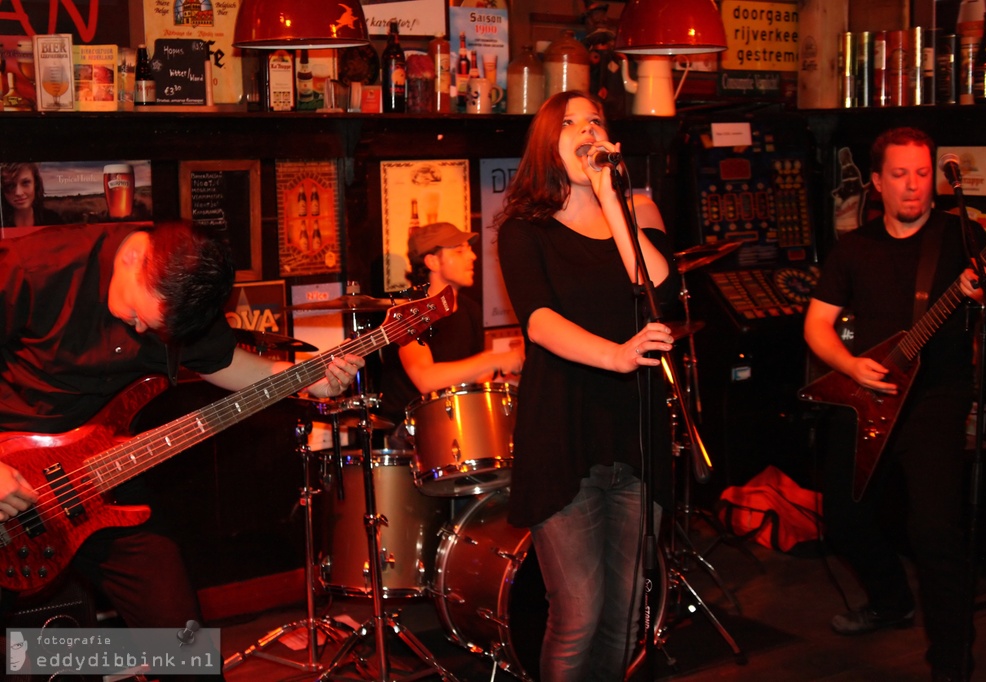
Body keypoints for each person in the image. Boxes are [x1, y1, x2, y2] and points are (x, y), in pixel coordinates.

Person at [0, 220, 364, 644]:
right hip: (11, 465)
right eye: (138, 313)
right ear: (133, 258)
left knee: (185, 647)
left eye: (151, 327)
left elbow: (223, 362)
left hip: (98, 475)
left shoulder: (186, 290)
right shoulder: (34, 267)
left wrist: (304, 379)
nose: (139, 329)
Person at [804, 127, 986, 682]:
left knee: (934, 531)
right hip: (866, 396)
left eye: (922, 174)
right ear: (876, 183)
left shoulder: (963, 238)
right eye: (900, 175)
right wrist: (852, 367)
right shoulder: (855, 248)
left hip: (934, 400)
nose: (913, 186)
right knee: (844, 519)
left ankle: (951, 663)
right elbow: (817, 326)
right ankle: (890, 599)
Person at [495, 90, 679, 681]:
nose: (585, 131)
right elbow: (540, 321)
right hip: (563, 432)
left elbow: (657, 286)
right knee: (577, 613)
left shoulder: (631, 215)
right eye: (569, 123)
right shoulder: (523, 230)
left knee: (626, 616)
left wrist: (610, 199)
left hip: (635, 432)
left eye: (594, 121)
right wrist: (617, 356)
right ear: (548, 143)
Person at [378, 221, 524, 429]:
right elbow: (426, 379)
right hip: (410, 430)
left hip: (457, 422)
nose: (472, 256)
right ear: (432, 262)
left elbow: (474, 376)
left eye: (470, 250)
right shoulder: (409, 314)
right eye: (458, 251)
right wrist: (494, 360)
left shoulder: (470, 309)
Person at [1, 162, 62, 228]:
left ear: (35, 183)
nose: (19, 193)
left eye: (25, 183)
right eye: (10, 185)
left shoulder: (53, 220)